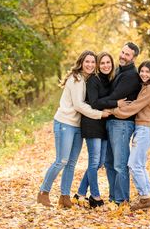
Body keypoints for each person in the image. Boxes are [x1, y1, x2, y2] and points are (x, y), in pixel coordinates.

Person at [37, 50, 111, 208]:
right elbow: (79, 105)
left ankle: (64, 197)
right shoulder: (76, 78)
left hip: (78, 126)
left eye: (93, 62)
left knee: (71, 163)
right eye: (87, 61)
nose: (90, 64)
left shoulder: (88, 79)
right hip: (65, 122)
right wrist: (100, 114)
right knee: (61, 160)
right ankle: (43, 192)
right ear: (81, 62)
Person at [112, 60, 150, 211]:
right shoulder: (148, 86)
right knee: (139, 164)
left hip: (145, 129)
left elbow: (134, 106)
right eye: (142, 71)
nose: (144, 74)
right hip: (144, 128)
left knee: (133, 164)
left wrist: (113, 110)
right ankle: (149, 196)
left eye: (148, 72)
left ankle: (144, 197)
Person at [97, 42, 141, 205]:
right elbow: (111, 97)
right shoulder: (118, 71)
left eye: (127, 54)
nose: (123, 56)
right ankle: (114, 197)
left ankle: (122, 199)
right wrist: (108, 101)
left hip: (122, 124)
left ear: (134, 58)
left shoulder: (131, 76)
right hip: (111, 122)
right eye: (122, 52)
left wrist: (97, 102)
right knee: (108, 163)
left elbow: (113, 97)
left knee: (119, 164)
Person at [74, 52, 115, 208]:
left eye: (108, 63)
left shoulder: (108, 81)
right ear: (98, 65)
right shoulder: (93, 80)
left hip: (103, 124)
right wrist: (114, 103)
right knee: (94, 162)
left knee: (99, 163)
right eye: (102, 63)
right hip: (92, 123)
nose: (105, 65)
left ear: (112, 65)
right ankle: (95, 196)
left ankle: (80, 193)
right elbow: (94, 103)